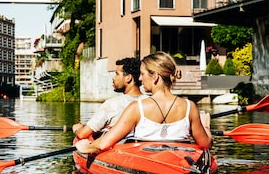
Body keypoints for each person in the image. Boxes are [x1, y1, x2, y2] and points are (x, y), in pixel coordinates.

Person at [75, 52, 212, 155]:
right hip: (179, 161)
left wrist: (86, 146)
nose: (140, 78)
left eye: (142, 74)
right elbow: (206, 143)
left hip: (146, 161)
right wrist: (206, 127)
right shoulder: (190, 107)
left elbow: (104, 144)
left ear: (155, 77)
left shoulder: (137, 108)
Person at [72, 57, 143, 140]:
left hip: (118, 148)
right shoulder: (150, 101)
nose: (113, 78)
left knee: (79, 139)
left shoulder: (112, 104)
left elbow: (82, 134)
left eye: (117, 74)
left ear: (128, 78)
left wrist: (77, 129)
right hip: (142, 146)